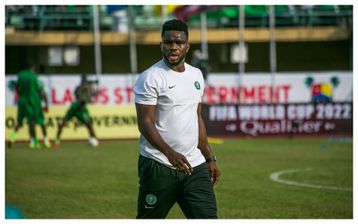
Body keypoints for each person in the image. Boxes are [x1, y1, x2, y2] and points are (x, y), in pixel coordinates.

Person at [133, 19, 220, 219]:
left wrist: (209, 157)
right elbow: (145, 123)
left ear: (186, 46)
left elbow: (196, 117)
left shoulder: (196, 75)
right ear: (161, 44)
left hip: (195, 167)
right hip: (158, 165)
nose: (173, 47)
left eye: (179, 42)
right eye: (168, 42)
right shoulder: (150, 77)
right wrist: (170, 153)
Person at [9, 64, 51, 149]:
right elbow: (42, 92)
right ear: (34, 69)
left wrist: (21, 96)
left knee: (20, 122)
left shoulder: (21, 75)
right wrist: (46, 104)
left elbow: (17, 87)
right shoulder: (34, 77)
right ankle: (43, 141)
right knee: (38, 121)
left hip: (22, 102)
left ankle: (13, 137)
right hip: (33, 103)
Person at [54, 74, 99, 147]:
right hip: (78, 107)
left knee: (89, 123)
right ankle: (57, 140)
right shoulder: (83, 88)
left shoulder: (83, 88)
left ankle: (93, 139)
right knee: (88, 123)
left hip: (79, 107)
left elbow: (85, 96)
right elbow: (84, 97)